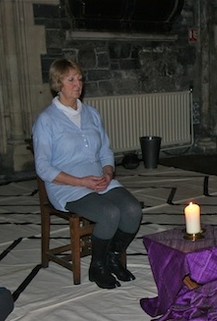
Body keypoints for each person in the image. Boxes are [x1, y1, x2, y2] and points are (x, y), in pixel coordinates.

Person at [33, 58, 143, 289]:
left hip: (98, 179)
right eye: (71, 79)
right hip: (67, 186)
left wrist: (108, 172)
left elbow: (105, 150)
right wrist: (80, 181)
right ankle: (97, 267)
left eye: (80, 79)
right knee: (109, 213)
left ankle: (112, 257)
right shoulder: (46, 121)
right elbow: (43, 167)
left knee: (133, 209)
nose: (78, 84)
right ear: (57, 83)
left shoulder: (92, 114)